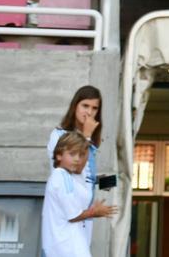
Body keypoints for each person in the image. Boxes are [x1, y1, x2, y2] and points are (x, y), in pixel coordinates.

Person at [44, 85, 106, 250]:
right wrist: (85, 136)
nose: (89, 112)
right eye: (85, 106)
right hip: (66, 214)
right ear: (75, 106)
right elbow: (71, 169)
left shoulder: (91, 141)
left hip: (84, 214)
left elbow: (83, 175)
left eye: (94, 108)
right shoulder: (59, 135)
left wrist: (97, 181)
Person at [43, 131, 115, 257]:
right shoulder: (62, 177)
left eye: (80, 155)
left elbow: (88, 182)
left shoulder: (66, 177)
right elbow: (72, 215)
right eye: (72, 154)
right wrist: (95, 212)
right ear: (59, 155)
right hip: (66, 250)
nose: (77, 159)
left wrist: (110, 181)